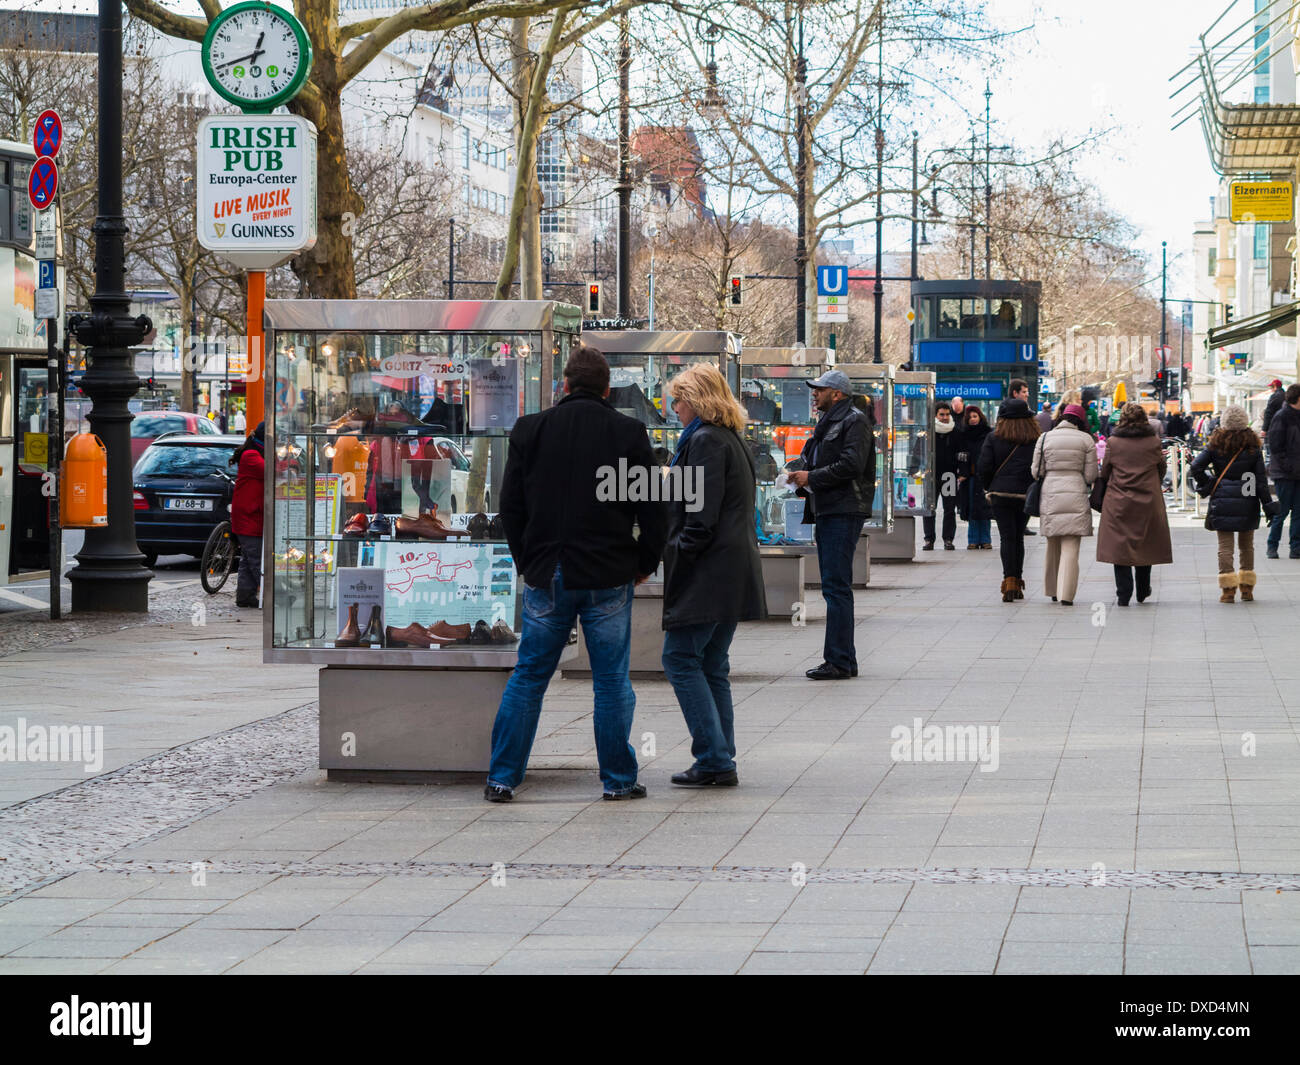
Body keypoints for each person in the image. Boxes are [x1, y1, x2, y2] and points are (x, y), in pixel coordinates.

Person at [486, 345, 667, 802]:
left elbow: (510, 506)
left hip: (548, 572)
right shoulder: (628, 432)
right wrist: (645, 562)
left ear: (563, 386)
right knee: (610, 681)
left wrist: (527, 560)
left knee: (529, 675)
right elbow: (653, 507)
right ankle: (618, 781)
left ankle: (502, 777)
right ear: (608, 390)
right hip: (608, 572)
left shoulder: (531, 430)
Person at [660, 364, 766, 787]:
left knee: (680, 657)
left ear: (697, 400)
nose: (675, 408)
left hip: (710, 569)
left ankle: (713, 757)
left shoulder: (704, 441)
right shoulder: (729, 439)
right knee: (711, 662)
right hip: (732, 566)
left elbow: (700, 517)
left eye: (679, 400)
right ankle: (720, 754)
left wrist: (676, 555)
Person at [788, 369, 874, 680]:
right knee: (834, 587)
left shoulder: (853, 421)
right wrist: (802, 477)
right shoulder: (832, 423)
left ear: (836, 394)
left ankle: (838, 660)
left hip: (842, 509)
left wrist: (812, 477)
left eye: (820, 389)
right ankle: (842, 659)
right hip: (829, 508)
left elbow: (851, 465)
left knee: (836, 587)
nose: (815, 393)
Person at [1191, 404, 1276, 603]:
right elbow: (1260, 481)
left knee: (1225, 546)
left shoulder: (1215, 443)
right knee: (1247, 546)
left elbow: (1196, 466)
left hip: (1222, 498)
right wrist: (1268, 505)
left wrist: (1209, 482)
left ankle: (1228, 590)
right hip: (1248, 497)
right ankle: (1247, 589)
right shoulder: (1253, 446)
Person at [1096, 402, 1173, 605]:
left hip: (1118, 501)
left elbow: (1105, 472)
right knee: (1144, 543)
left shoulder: (1113, 442)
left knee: (1119, 545)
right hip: (1147, 500)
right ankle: (1142, 588)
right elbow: (1161, 469)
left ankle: (1123, 592)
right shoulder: (1153, 442)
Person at [1031, 403, 1096, 606]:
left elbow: (1036, 471)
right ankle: (1066, 594)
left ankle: (1051, 589)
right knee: (1071, 545)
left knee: (1052, 543)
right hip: (1075, 491)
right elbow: (1091, 475)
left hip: (1050, 492)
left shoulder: (1045, 438)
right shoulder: (1086, 440)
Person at [977, 399, 1040, 601]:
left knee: (1007, 537)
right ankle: (1018, 581)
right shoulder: (1035, 438)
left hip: (1000, 494)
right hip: (1025, 494)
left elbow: (984, 467)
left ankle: (1009, 581)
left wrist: (990, 486)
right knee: (1018, 537)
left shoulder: (994, 437)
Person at [230, 421, 265, 609]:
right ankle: (275, 594)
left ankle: (245, 596)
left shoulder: (256, 453)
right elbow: (270, 470)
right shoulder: (251, 455)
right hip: (249, 517)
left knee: (247, 559)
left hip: (252, 516)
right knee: (258, 559)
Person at [1265, 383, 1300, 559]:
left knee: (1299, 513)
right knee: (1282, 511)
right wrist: (1289, 467)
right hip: (1284, 473)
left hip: (1298, 473)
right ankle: (1272, 546)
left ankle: (1296, 548)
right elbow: (1276, 447)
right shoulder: (1281, 417)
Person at [923, 400, 960, 550]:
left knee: (949, 509)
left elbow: (962, 452)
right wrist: (914, 469)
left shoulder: (955, 431)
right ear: (935, 415)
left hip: (949, 476)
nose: (945, 417)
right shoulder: (928, 431)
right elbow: (918, 450)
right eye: (941, 414)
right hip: (931, 476)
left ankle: (948, 539)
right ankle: (929, 539)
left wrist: (961, 472)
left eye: (947, 414)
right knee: (929, 508)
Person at [955, 404, 993, 549]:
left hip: (984, 476)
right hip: (969, 476)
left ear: (980, 417)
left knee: (985, 508)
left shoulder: (988, 434)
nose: (972, 419)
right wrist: (963, 472)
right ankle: (972, 540)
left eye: (975, 416)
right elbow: (961, 455)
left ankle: (985, 539)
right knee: (972, 508)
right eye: (970, 417)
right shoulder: (963, 435)